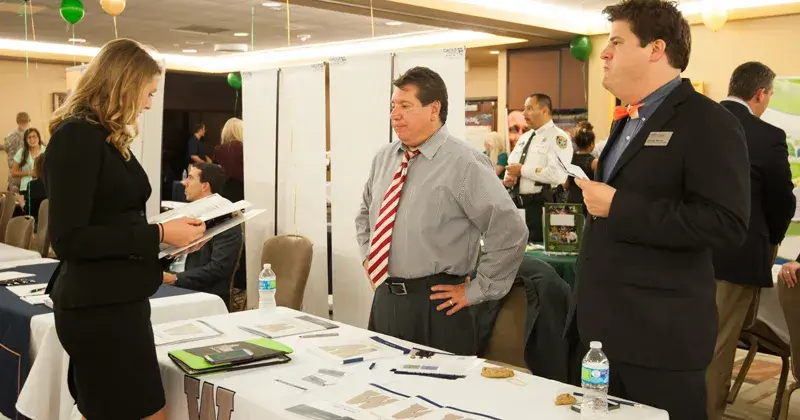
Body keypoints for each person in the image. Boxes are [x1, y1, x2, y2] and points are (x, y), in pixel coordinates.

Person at [570, 1, 750, 418]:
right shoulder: (625, 122)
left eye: (616, 42)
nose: (605, 53)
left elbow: (726, 225)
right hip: (603, 335)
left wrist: (619, 205)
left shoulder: (709, 122)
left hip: (660, 338)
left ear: (655, 49)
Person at [44, 38, 205, 420]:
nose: (149, 104)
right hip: (98, 308)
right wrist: (160, 235)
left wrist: (160, 248)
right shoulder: (76, 137)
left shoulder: (104, 136)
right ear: (124, 84)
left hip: (116, 300)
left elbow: (114, 221)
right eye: (148, 92)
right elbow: (69, 238)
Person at [355, 66, 527, 355]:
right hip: (385, 300)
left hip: (438, 307)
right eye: (394, 106)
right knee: (382, 391)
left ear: (434, 109)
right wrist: (368, 258)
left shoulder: (466, 163)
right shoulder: (384, 158)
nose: (394, 115)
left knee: (437, 397)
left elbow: (509, 230)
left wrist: (477, 290)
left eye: (405, 106)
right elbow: (364, 214)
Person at [707, 62, 795, 420]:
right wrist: (771, 241)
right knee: (719, 344)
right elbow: (781, 201)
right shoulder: (766, 136)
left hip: (685, 250)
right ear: (760, 94)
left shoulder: (696, 123)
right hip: (736, 255)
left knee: (681, 335)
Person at [163, 163, 243, 305]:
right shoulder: (188, 213)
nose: (185, 183)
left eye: (191, 178)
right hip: (172, 282)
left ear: (205, 186)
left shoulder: (226, 217)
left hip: (198, 291)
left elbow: (219, 268)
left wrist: (174, 278)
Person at [504, 93, 572, 243]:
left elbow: (557, 175)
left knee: (541, 256)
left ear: (544, 111)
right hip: (520, 207)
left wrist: (522, 170)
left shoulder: (559, 138)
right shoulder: (525, 137)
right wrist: (509, 178)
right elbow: (512, 164)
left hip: (544, 207)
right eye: (524, 109)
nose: (524, 113)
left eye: (529, 108)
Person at [564, 121, 597, 208]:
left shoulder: (569, 159)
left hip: (571, 201)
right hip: (587, 202)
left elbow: (566, 184)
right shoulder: (594, 163)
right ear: (591, 144)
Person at [213, 118, 244, 202]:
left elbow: (215, 170)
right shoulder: (245, 148)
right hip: (243, 189)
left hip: (224, 190)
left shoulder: (218, 149)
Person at [11, 128, 46, 195]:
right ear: (26, 140)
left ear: (39, 138)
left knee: (44, 205)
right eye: (29, 137)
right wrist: (30, 173)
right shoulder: (22, 152)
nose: (32, 139)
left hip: (43, 187)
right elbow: (13, 173)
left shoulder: (46, 150)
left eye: (34, 136)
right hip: (26, 188)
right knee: (29, 205)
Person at [3, 112, 30, 192]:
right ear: (28, 121)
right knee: (26, 201)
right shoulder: (32, 136)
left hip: (13, 175)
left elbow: (6, 148)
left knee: (14, 201)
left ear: (17, 121)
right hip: (26, 174)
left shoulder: (9, 136)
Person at [24, 153, 47, 223]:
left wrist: (22, 202)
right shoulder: (56, 184)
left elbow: (29, 212)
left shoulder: (32, 185)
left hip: (36, 224)